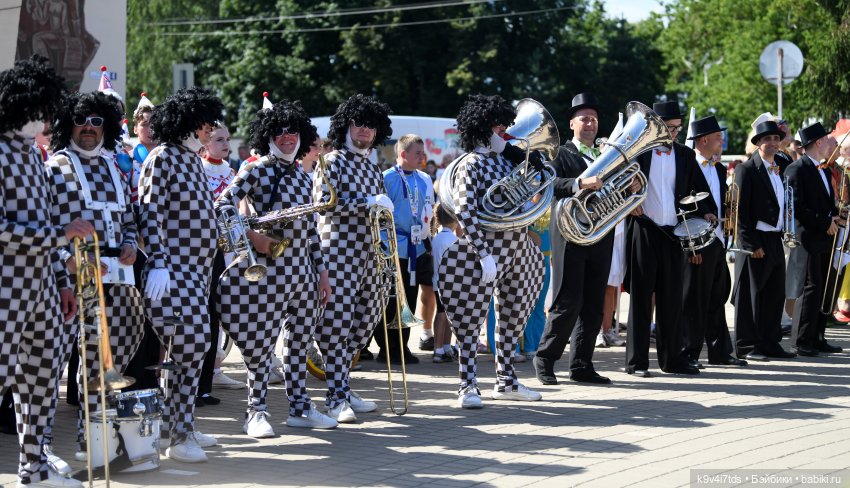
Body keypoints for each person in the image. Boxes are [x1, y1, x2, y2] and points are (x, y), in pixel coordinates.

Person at [216, 96, 337, 436]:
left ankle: (300, 407)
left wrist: (322, 274)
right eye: (280, 131)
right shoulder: (255, 169)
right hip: (268, 271)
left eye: (293, 131)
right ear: (268, 134)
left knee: (299, 342)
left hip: (304, 273)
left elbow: (312, 230)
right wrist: (253, 238)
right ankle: (256, 412)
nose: (287, 137)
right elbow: (223, 206)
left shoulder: (303, 175)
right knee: (261, 343)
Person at [0, 54, 91, 488]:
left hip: (41, 286)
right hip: (5, 287)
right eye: (42, 110)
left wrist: (60, 281)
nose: (47, 119)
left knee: (42, 378)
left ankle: (33, 468)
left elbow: (44, 221)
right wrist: (59, 235)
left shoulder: (33, 156)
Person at [44, 91, 146, 462]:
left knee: (106, 367)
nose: (89, 128)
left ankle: (96, 443)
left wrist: (131, 244)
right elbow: (45, 226)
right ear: (68, 124)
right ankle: (40, 451)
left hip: (117, 279)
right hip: (71, 279)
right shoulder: (55, 167)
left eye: (97, 121)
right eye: (82, 121)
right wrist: (63, 264)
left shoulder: (113, 167)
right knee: (55, 368)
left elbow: (129, 217)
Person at [438, 94, 544, 409]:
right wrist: (483, 253)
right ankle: (467, 385)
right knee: (469, 319)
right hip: (480, 251)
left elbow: (526, 197)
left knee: (513, 316)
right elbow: (466, 212)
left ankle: (507, 380)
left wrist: (530, 165)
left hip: (516, 247)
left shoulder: (507, 159)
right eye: (496, 125)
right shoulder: (470, 164)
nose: (502, 129)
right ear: (481, 127)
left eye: (503, 124)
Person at [137, 86, 224, 462]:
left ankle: (182, 424)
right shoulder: (163, 157)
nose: (211, 129)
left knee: (192, 348)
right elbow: (148, 211)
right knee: (190, 344)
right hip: (171, 271)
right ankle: (177, 433)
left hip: (197, 273)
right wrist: (156, 261)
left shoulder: (191, 159)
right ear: (189, 122)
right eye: (206, 122)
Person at [313, 93, 393, 423]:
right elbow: (323, 203)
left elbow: (377, 210)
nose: (364, 131)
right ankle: (335, 396)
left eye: (371, 127)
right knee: (336, 325)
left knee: (364, 323)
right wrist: (368, 203)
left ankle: (343, 386)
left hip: (369, 256)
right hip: (338, 254)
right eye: (358, 124)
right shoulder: (331, 162)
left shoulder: (372, 166)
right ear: (346, 126)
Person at [534, 92, 617, 385]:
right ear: (572, 124)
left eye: (593, 118)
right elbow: (549, 182)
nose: (590, 123)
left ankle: (581, 364)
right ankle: (545, 358)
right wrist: (579, 183)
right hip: (570, 232)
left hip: (601, 233)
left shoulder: (608, 154)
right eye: (584, 118)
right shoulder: (561, 153)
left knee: (594, 303)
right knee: (568, 299)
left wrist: (630, 184)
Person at [625, 100, 703, 377]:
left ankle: (672, 360)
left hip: (673, 233)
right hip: (644, 229)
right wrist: (628, 199)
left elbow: (698, 190)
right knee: (641, 299)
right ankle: (636, 363)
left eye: (677, 129)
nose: (673, 133)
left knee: (672, 299)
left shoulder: (685, 155)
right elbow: (618, 182)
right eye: (668, 128)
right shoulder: (638, 152)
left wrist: (707, 215)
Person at [681, 115, 747, 368]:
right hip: (697, 240)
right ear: (703, 140)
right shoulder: (687, 166)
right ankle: (690, 352)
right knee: (694, 299)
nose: (722, 140)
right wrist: (692, 244)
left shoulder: (719, 169)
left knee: (716, 296)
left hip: (718, 239)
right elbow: (683, 204)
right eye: (718, 136)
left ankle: (720, 351)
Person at [732, 120, 798, 361]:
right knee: (752, 295)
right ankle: (748, 346)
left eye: (776, 139)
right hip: (756, 239)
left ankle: (770, 342)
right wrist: (751, 244)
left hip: (775, 237)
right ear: (758, 143)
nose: (773, 143)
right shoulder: (746, 169)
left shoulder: (779, 166)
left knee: (774, 293)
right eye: (767, 139)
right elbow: (740, 212)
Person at [785, 122, 844, 357]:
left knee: (823, 287)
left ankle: (818, 336)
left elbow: (826, 202)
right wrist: (824, 222)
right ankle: (801, 340)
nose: (832, 142)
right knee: (809, 289)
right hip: (807, 237)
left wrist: (837, 215)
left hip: (825, 236)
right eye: (829, 139)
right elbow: (796, 206)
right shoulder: (796, 169)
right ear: (818, 142)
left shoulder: (825, 169)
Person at [375, 134, 433, 364]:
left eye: (422, 153)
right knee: (389, 299)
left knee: (408, 298)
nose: (422, 157)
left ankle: (403, 346)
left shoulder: (424, 179)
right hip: (392, 247)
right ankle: (386, 348)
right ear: (403, 154)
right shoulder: (386, 178)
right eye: (417, 153)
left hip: (415, 247)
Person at [198, 124, 245, 405]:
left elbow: (240, 204)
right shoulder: (199, 168)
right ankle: (200, 380)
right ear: (204, 143)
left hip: (228, 247)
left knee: (220, 311)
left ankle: (213, 372)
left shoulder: (230, 170)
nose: (225, 144)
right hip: (206, 248)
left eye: (227, 139)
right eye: (219, 140)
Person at [430, 203, 459, 363]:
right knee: (443, 315)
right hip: (449, 283)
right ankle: (440, 349)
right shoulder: (453, 240)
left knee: (445, 315)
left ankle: (444, 347)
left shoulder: (437, 238)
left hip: (438, 281)